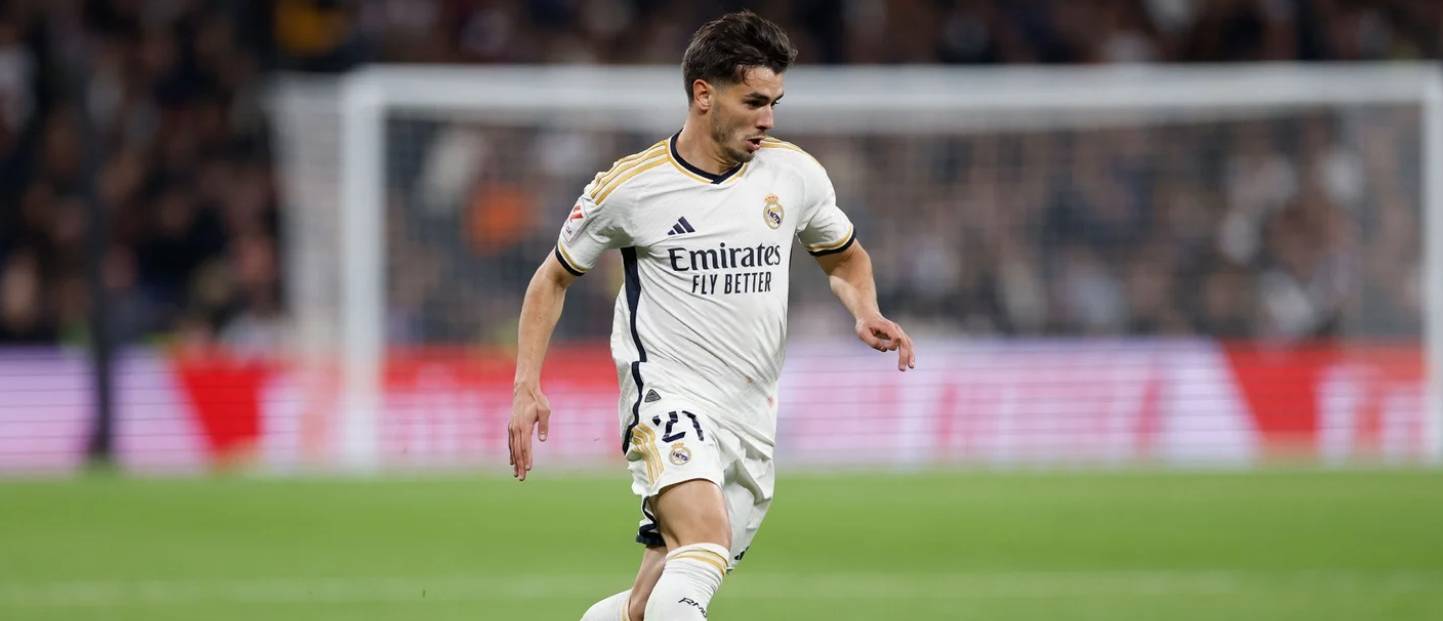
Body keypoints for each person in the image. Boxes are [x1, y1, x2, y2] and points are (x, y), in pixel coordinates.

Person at [508, 11, 915, 620]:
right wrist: (526, 385)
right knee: (703, 540)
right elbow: (552, 279)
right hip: (667, 398)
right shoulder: (632, 187)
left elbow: (844, 257)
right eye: (754, 102)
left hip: (750, 416)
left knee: (646, 606)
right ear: (704, 95)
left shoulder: (794, 174)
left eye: (774, 103)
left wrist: (865, 309)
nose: (768, 119)